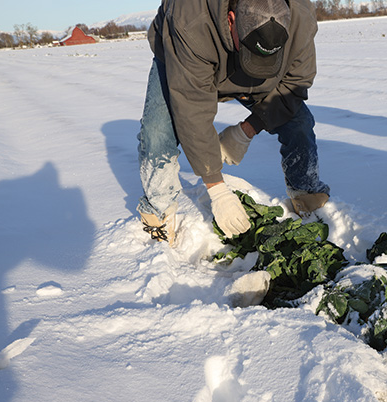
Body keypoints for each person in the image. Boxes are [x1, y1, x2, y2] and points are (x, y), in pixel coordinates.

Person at [137, 0, 330, 245]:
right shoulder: (190, 20)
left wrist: (246, 131)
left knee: (299, 122)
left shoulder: (301, 15)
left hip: (252, 63)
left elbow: (294, 84)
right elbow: (192, 110)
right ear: (230, 20)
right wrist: (217, 189)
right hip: (184, 55)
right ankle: (158, 214)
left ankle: (306, 196)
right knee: (157, 134)